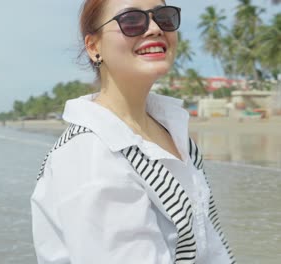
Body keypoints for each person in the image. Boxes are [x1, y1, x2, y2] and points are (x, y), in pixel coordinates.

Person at [30, 0, 237, 263]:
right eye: (131, 20)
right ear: (94, 47)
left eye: (164, 17)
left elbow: (211, 246)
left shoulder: (168, 127)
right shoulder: (92, 156)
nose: (154, 28)